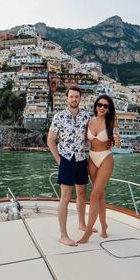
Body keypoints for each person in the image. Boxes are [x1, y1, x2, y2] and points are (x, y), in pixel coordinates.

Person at [47, 85, 90, 246]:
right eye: (71, 96)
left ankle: (81, 224)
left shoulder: (86, 117)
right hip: (66, 158)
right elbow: (50, 140)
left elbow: (89, 137)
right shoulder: (59, 117)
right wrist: (59, 160)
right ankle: (63, 235)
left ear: (80, 99)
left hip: (80, 158)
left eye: (76, 97)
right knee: (65, 197)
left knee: (82, 192)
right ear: (67, 98)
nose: (74, 99)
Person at [78, 94, 120, 244]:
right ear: (96, 106)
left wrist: (117, 141)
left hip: (105, 158)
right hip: (91, 158)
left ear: (109, 110)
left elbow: (117, 144)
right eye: (100, 105)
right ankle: (104, 226)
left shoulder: (112, 123)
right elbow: (82, 139)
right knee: (100, 195)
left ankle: (88, 231)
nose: (102, 108)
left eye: (106, 106)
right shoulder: (88, 122)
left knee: (95, 194)